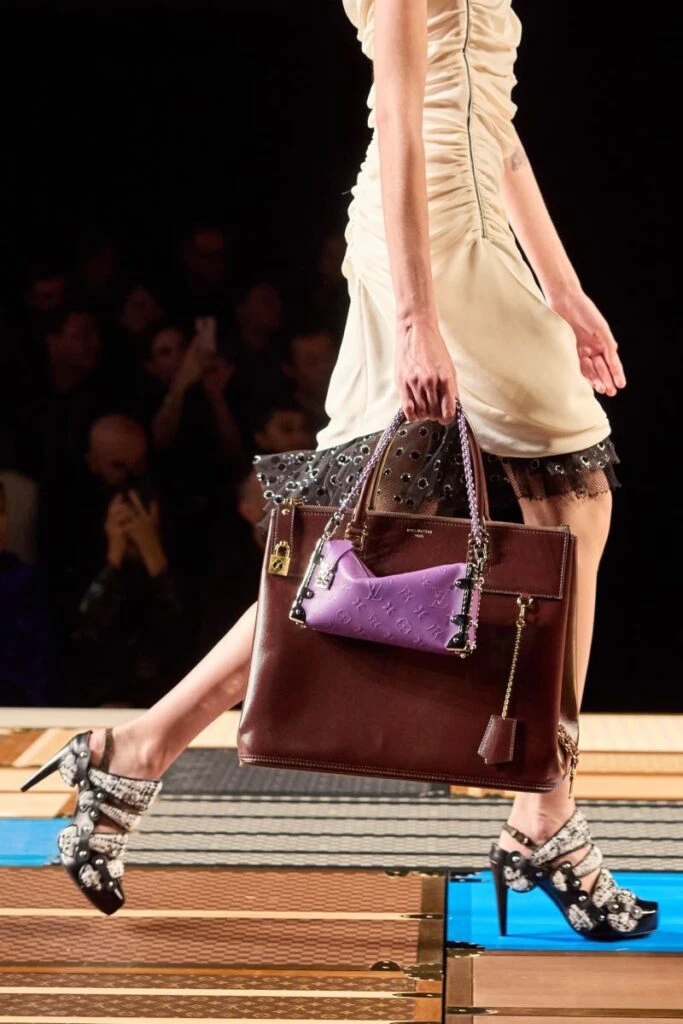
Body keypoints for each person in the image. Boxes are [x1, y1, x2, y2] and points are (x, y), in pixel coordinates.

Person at [22, 0, 657, 940]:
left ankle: (134, 750)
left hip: (454, 234)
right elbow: (400, 114)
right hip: (433, 242)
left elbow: (494, 124)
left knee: (360, 551)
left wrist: (562, 289)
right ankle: (544, 809)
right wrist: (417, 318)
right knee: (571, 500)